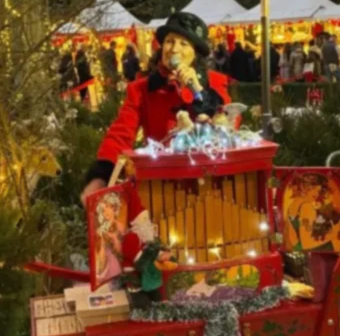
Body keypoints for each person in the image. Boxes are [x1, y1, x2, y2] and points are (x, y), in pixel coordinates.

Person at [81, 12, 231, 202]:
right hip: (161, 188)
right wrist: (101, 175)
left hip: (209, 187)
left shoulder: (215, 82)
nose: (174, 49)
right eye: (170, 41)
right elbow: (122, 133)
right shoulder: (141, 89)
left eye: (184, 44)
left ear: (196, 53)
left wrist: (197, 90)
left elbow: (227, 123)